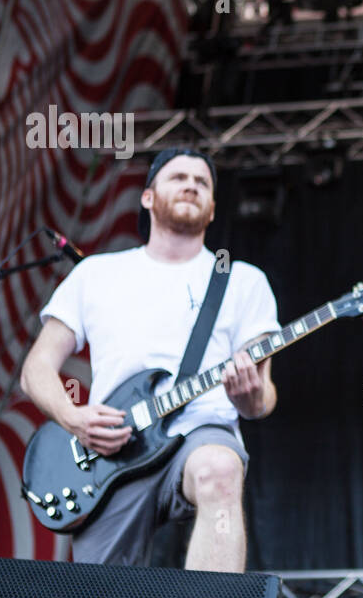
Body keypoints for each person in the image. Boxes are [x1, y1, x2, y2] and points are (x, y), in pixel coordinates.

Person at [21, 149, 280, 570]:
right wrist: (73, 418)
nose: (191, 185)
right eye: (178, 176)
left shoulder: (243, 281)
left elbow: (261, 399)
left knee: (220, 469)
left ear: (213, 209)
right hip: (112, 446)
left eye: (203, 182)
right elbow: (36, 370)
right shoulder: (96, 274)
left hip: (201, 428)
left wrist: (248, 395)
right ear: (147, 197)